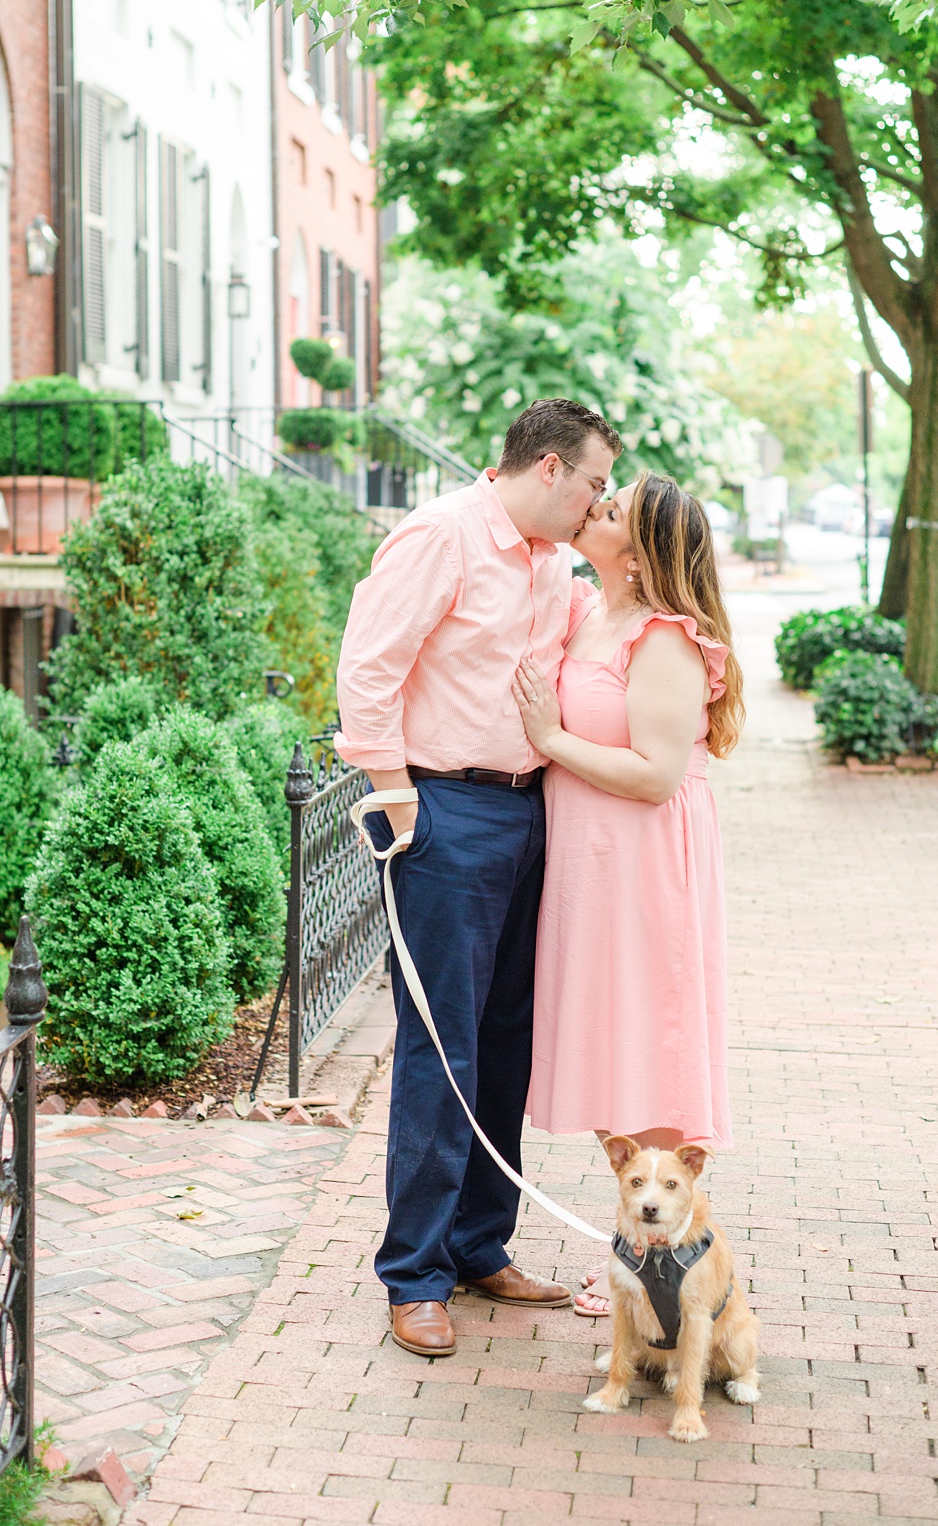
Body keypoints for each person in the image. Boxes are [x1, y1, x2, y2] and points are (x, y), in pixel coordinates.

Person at [336, 398, 619, 1359]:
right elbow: (368, 667)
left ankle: (477, 1244)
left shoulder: (557, 564)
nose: (597, 500)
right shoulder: (441, 536)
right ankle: (413, 1275)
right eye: (592, 483)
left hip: (530, 810)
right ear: (547, 468)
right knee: (440, 1043)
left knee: (505, 1039)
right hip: (444, 811)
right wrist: (394, 792)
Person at [515, 473, 742, 1319]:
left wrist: (551, 739)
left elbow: (656, 776)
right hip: (591, 864)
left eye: (612, 511)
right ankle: (638, 1245)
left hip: (643, 864)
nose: (595, 510)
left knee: (651, 1047)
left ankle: (656, 1262)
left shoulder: (665, 640)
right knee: (618, 1048)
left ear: (642, 557)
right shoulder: (586, 608)